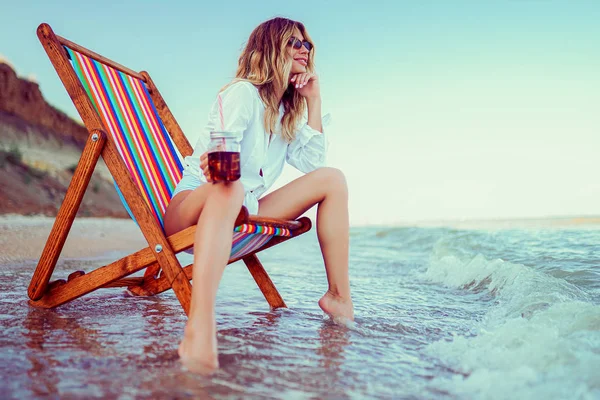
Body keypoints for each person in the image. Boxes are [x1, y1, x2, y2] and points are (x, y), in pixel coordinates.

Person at [163, 17, 353, 372]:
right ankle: (199, 328)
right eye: (295, 42)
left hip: (243, 206)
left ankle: (339, 298)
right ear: (271, 47)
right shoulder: (241, 94)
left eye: (307, 45)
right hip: (191, 207)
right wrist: (221, 168)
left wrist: (313, 100)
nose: (304, 50)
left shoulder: (285, 112)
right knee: (230, 184)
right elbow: (221, 167)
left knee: (333, 179)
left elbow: (315, 164)